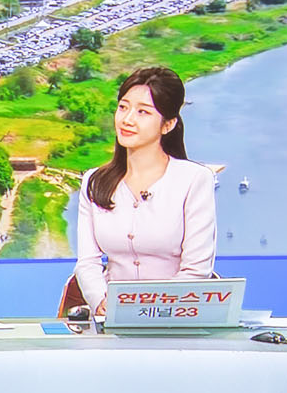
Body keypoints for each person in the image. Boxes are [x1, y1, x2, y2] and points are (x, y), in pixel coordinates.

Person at [72, 66, 217, 316]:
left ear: (167, 125)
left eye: (143, 112)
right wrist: (101, 301)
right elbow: (87, 263)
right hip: (111, 316)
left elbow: (196, 270)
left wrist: (148, 309)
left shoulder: (194, 180)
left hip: (174, 318)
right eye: (123, 107)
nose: (127, 120)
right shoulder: (94, 182)